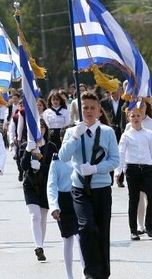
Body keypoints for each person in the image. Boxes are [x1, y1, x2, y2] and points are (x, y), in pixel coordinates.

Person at [59, 91, 119, 279]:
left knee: (101, 230)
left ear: (99, 111)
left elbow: (115, 160)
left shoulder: (108, 132)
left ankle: (103, 272)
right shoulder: (72, 131)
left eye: (93, 108)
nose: (89, 111)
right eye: (85, 107)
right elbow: (63, 156)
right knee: (86, 227)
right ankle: (91, 272)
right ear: (79, 110)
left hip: (101, 188)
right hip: (79, 188)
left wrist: (95, 169)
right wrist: (75, 137)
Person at [117, 106, 152, 241]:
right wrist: (118, 171)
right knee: (134, 199)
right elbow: (121, 153)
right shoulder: (126, 135)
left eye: (138, 115)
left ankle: (149, 226)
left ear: (142, 117)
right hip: (132, 169)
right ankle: (133, 229)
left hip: (147, 169)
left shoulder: (149, 134)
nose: (136, 118)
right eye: (133, 116)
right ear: (129, 119)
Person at [47, 124, 83, 279]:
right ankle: (69, 275)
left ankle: (85, 272)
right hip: (64, 201)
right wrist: (54, 206)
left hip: (80, 198)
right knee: (67, 238)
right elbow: (52, 185)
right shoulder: (56, 161)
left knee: (82, 237)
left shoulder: (81, 159)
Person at [20, 118, 58, 261]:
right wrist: (29, 151)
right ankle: (38, 246)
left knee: (42, 216)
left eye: (42, 128)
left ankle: (41, 244)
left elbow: (55, 167)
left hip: (45, 184)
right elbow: (23, 166)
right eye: (37, 128)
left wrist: (41, 166)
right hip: (30, 184)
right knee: (34, 215)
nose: (40, 130)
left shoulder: (51, 146)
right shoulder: (26, 145)